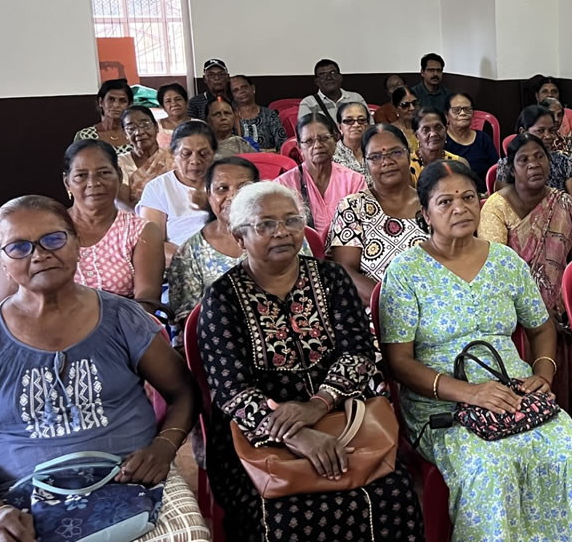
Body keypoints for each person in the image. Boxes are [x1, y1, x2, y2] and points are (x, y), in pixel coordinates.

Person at [0, 195, 206, 542]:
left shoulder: (123, 318)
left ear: (77, 243)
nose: (39, 254)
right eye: (18, 247)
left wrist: (164, 448)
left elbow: (183, 391)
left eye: (53, 239)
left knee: (189, 536)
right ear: (1, 260)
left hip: (133, 480)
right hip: (21, 499)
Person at [197, 183, 424, 541]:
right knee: (285, 518)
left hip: (343, 415)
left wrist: (317, 405)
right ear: (240, 237)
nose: (282, 232)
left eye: (291, 221)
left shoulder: (332, 278)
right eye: (265, 225)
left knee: (392, 495)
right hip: (260, 438)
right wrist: (298, 436)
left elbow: (358, 354)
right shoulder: (222, 298)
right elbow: (231, 390)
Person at [379, 160, 572, 542]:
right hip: (444, 406)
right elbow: (400, 363)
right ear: (425, 213)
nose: (459, 208)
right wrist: (471, 393)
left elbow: (541, 327)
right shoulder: (407, 271)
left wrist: (543, 373)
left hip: (514, 392)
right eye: (444, 202)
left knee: (568, 450)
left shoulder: (506, 261)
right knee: (490, 466)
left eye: (467, 197)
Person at [479, 134, 572, 411]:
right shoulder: (496, 206)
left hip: (561, 306)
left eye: (539, 157)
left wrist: (569, 304)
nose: (534, 165)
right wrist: (537, 307)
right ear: (512, 169)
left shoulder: (563, 204)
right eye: (524, 160)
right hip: (515, 305)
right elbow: (496, 270)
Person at [0, 139, 166, 313]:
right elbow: (3, 302)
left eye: (104, 173)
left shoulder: (141, 231)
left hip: (119, 329)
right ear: (67, 182)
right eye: (81, 175)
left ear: (119, 176)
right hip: (42, 328)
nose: (93, 183)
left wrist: (119, 331)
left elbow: (147, 296)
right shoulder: (42, 229)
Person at [166, 156, 260, 347]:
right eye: (222, 189)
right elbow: (189, 322)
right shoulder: (190, 252)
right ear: (209, 195)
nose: (233, 196)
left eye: (243, 188)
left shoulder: (283, 235)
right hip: (221, 347)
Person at [328, 125, 426, 301]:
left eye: (395, 152)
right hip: (377, 310)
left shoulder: (431, 203)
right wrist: (395, 304)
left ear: (408, 153)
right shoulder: (353, 207)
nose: (386, 161)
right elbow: (345, 270)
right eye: (375, 157)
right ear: (365, 163)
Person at [274, 113, 366, 241]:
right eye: (309, 141)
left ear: (335, 140)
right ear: (299, 147)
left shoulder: (354, 181)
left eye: (324, 138)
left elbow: (362, 225)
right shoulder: (282, 186)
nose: (317, 145)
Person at [138, 121, 219, 259]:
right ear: (172, 154)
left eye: (203, 154)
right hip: (180, 262)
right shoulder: (158, 188)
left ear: (214, 153)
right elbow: (152, 243)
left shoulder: (225, 182)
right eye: (186, 154)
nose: (195, 161)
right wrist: (195, 262)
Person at [495, 105, 572, 202]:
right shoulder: (508, 165)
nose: (548, 136)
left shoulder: (564, 163)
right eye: (540, 131)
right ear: (523, 132)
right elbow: (503, 207)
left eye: (551, 131)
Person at [119, 105, 175, 207]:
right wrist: (146, 220)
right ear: (125, 135)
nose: (139, 132)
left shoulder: (173, 158)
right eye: (131, 128)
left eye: (145, 125)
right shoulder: (121, 162)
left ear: (156, 127)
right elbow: (124, 202)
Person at [443, 92, 499, 178]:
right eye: (456, 110)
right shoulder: (441, 140)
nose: (462, 113)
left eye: (467, 109)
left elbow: (496, 169)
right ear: (447, 115)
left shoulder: (483, 139)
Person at [297, 58, 368, 123]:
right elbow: (304, 133)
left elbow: (370, 126)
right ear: (317, 81)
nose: (328, 78)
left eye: (332, 73)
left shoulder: (356, 98)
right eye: (322, 75)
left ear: (340, 77)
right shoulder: (308, 103)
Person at [74, 77, 133, 154]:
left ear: (129, 105)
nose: (116, 105)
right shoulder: (85, 136)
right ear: (101, 102)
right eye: (111, 99)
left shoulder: (136, 135)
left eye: (122, 101)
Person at [407, 108, 464, 186]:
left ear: (446, 130)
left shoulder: (459, 163)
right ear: (417, 136)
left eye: (438, 127)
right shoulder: (407, 166)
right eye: (425, 129)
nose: (433, 134)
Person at [230, 74, 287, 152]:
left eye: (244, 87)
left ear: (253, 89)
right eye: (235, 90)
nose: (241, 91)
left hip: (270, 160)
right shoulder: (230, 117)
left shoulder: (269, 115)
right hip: (241, 162)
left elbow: (283, 145)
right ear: (232, 96)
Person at [533, 75, 572, 146]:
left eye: (554, 91)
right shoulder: (532, 115)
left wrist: (564, 141)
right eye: (545, 91)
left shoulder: (568, 113)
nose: (550, 94)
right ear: (537, 96)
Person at [332, 100, 371, 174]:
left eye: (361, 120)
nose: (356, 125)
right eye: (349, 121)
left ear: (368, 125)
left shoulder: (375, 149)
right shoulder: (331, 154)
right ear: (340, 127)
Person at [384, 86, 420, 156]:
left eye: (414, 103)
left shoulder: (425, 126)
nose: (412, 108)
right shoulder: (390, 131)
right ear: (395, 109)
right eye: (405, 105)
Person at [157, 83, 193, 149]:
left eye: (178, 99)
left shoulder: (199, 125)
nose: (174, 104)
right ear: (163, 106)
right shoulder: (155, 127)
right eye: (168, 101)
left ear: (186, 102)